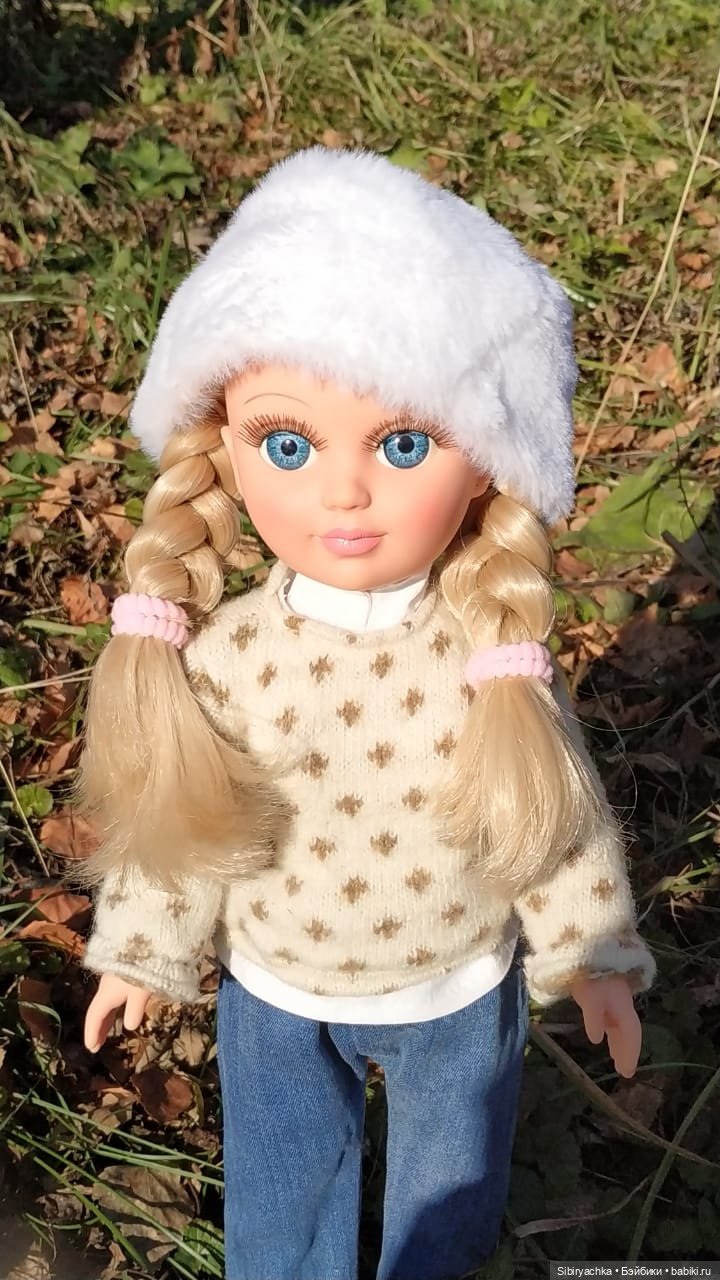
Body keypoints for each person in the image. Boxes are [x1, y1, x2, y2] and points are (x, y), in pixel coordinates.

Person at [77, 147, 655, 1280]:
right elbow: (187, 820)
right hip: (275, 988)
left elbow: (550, 818)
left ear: (484, 465)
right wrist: (143, 952)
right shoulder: (230, 656)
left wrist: (592, 954)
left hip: (458, 986)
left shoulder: (490, 654)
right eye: (287, 445)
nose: (344, 492)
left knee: (446, 1202)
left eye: (404, 443)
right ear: (225, 448)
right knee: (283, 1206)